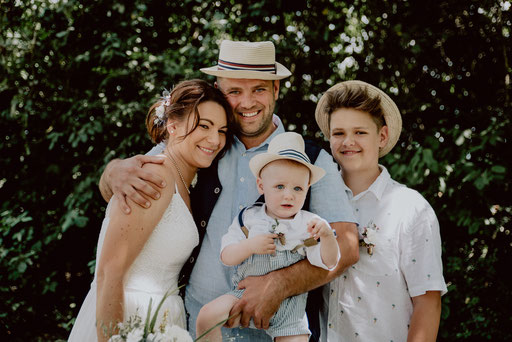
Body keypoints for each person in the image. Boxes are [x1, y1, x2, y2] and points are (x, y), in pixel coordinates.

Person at [99, 40, 360, 341]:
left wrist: (279, 284)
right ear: (220, 91)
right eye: (234, 91)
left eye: (259, 89)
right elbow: (134, 178)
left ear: (276, 90)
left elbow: (348, 247)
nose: (247, 103)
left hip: (273, 332)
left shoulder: (312, 159)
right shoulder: (202, 142)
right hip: (194, 327)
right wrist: (112, 172)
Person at [69, 79, 233, 341]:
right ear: (172, 125)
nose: (215, 140)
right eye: (204, 126)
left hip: (163, 321)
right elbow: (109, 275)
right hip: (127, 321)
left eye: (222, 130)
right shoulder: (155, 176)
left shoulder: (186, 181)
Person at [314, 80, 448, 342]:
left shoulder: (411, 208)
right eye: (338, 133)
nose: (348, 141)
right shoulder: (312, 202)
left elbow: (428, 304)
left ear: (382, 136)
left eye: (360, 132)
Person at [196, 132, 340, 341]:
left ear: (307, 190)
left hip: (290, 310)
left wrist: (327, 236)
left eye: (297, 188)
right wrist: (250, 246)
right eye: (279, 186)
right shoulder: (249, 217)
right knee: (206, 316)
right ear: (261, 186)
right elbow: (226, 256)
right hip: (244, 295)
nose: (288, 195)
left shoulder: (308, 224)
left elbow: (329, 262)